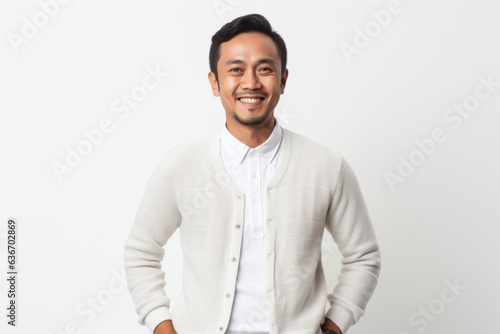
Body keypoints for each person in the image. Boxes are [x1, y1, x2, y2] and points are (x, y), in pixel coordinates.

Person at [124, 13, 381, 334]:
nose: (251, 83)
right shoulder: (180, 166)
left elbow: (363, 256)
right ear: (214, 82)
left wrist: (335, 326)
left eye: (265, 69)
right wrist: (162, 326)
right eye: (235, 70)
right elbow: (141, 253)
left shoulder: (326, 166)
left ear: (283, 80)